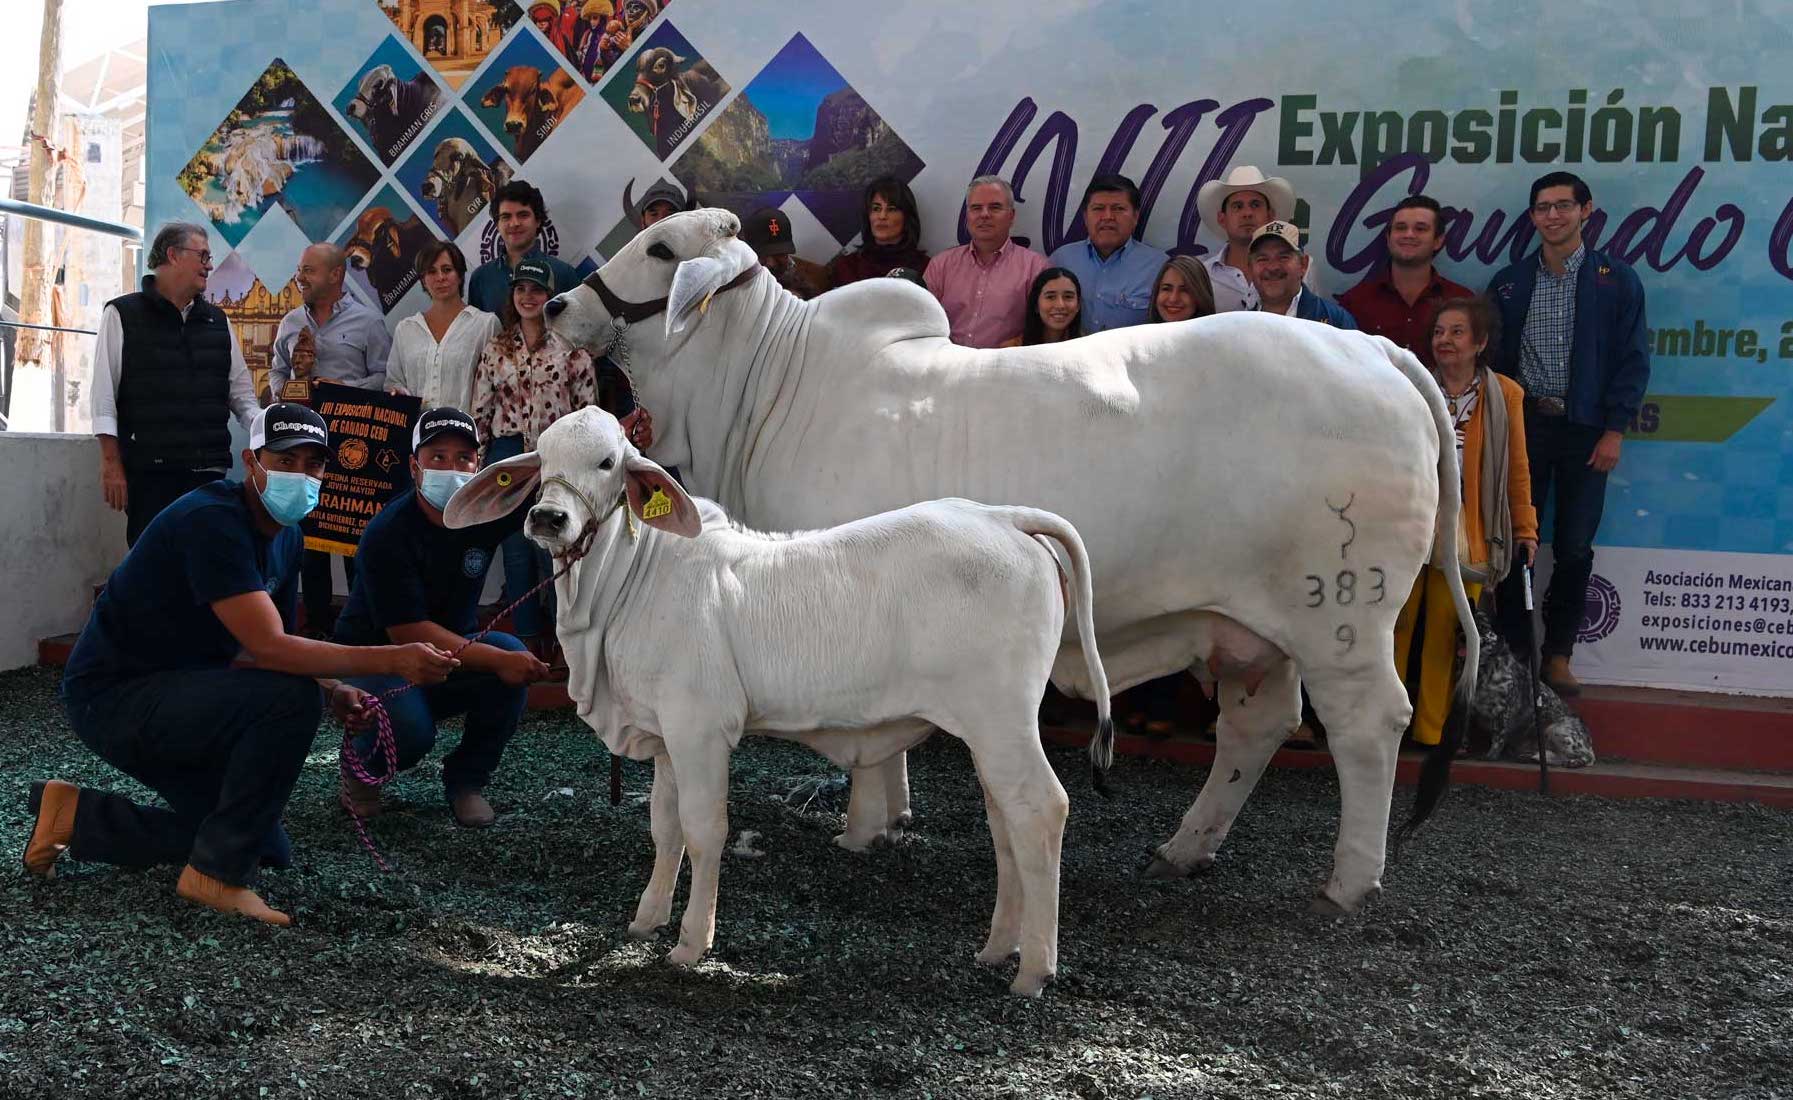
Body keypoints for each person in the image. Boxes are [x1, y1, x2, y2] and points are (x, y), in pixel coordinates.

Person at [26, 403, 457, 925]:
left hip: (183, 693)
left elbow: (259, 643)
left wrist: (332, 689)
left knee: (264, 846)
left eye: (314, 464)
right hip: (115, 699)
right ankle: (215, 876)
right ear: (251, 461)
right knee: (286, 702)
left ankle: (73, 815)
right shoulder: (211, 520)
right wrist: (393, 659)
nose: (301, 475)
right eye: (286, 460)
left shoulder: (287, 534)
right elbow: (272, 648)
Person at [334, 407, 550, 826]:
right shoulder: (387, 533)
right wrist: (500, 661)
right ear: (414, 467)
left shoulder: (486, 513)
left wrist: (621, 438)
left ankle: (466, 781)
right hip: (378, 658)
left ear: (479, 464)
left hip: (448, 654)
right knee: (415, 732)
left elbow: (551, 482)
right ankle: (361, 766)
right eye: (437, 458)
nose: (451, 468)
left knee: (508, 655)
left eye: (464, 458)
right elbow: (407, 631)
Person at [1487, 171, 1649, 696]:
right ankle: (1516, 653)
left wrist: (1615, 430)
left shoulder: (1616, 280)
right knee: (1516, 545)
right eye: (1542, 208)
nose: (1552, 216)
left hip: (1586, 433)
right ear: (1532, 216)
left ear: (1586, 210)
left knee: (1576, 547)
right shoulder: (1509, 283)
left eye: (1563, 206)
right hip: (1525, 429)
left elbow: (1632, 361)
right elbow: (1493, 362)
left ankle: (1558, 655)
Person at [1393, 296, 1538, 745]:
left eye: (1457, 331)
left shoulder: (1506, 395)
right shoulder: (1411, 386)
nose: (1445, 340)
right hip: (1410, 524)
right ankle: (1381, 726)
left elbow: (1516, 467)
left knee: (1445, 634)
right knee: (1394, 628)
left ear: (1481, 342)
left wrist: (1525, 528)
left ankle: (1432, 734)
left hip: (1469, 533)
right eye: (1438, 332)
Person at [89, 222, 262, 546]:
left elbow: (241, 397)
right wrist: (111, 464)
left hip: (209, 474)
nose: (210, 264)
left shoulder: (218, 321)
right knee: (153, 571)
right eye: (203, 255)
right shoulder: (122, 314)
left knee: (205, 572)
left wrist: (270, 429)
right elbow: (103, 399)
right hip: (150, 475)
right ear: (173, 255)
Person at [471, 258, 599, 658]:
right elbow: (481, 411)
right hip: (508, 454)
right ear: (512, 295)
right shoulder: (496, 348)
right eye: (521, 289)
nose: (529, 296)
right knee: (515, 549)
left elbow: (588, 414)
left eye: (537, 290)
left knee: (558, 546)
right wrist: (478, 463)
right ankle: (524, 640)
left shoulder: (572, 349)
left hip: (557, 457)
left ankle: (565, 639)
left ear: (551, 296)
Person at [270, 243, 393, 637]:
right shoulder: (290, 322)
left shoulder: (369, 322)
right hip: (301, 452)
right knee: (309, 542)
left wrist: (346, 389)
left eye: (308, 270)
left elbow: (385, 379)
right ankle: (317, 628)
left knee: (356, 541)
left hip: (354, 450)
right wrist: (289, 389)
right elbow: (275, 374)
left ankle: (360, 629)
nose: (299, 277)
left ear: (336, 275)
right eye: (300, 269)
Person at [1338, 195, 1474, 366]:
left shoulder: (1463, 302)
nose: (1409, 234)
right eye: (1400, 228)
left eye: (1421, 228)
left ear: (1438, 241)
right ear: (1388, 238)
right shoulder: (1355, 302)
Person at [924, 176, 1047, 348]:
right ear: (967, 216)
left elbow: (1046, 329)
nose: (984, 214)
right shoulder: (941, 265)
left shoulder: (1035, 268)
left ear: (1011, 216)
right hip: (947, 366)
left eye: (995, 207)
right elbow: (920, 322)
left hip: (1006, 369)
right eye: (976, 208)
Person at [387, 240, 502, 411]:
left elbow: (498, 386)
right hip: (418, 434)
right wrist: (397, 393)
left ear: (460, 275)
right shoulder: (405, 329)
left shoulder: (485, 324)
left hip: (467, 433)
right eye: (431, 271)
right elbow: (393, 382)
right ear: (423, 281)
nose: (440, 277)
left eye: (447, 270)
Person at [1046, 173, 1166, 332]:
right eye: (1098, 209)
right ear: (1085, 217)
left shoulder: (1159, 267)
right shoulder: (1061, 260)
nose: (1108, 217)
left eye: (1118, 209)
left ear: (1135, 217)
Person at [467, 180, 582, 316]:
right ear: (497, 225)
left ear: (538, 220)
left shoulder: (564, 274)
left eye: (523, 215)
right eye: (506, 217)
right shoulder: (480, 279)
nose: (514, 223)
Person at [1194, 166, 1295, 313]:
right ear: (1222, 219)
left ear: (1270, 216)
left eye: (1255, 205)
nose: (1247, 213)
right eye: (1237, 206)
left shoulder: (1299, 270)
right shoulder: (1202, 276)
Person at [1246, 221, 1357, 328]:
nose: (1273, 267)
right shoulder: (1240, 324)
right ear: (1250, 268)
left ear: (1303, 264)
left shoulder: (1336, 321)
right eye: (1262, 259)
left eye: (1283, 257)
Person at [827, 177, 929, 287]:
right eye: (876, 209)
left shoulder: (927, 268)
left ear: (907, 217)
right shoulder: (847, 266)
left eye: (891, 209)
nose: (882, 216)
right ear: (868, 216)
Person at [742, 205, 829, 300]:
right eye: (763, 255)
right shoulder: (733, 284)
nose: (771, 263)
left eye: (779, 255)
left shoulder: (804, 289)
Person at [1003, 267, 1084, 347]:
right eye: (1050, 297)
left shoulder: (1088, 349)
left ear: (1078, 305)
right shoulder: (1011, 350)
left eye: (1068, 297)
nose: (1060, 305)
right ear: (1036, 304)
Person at [1147, 255, 1217, 323]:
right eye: (1166, 289)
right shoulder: (1141, 333)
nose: (1173, 299)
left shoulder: (1221, 334)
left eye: (1185, 290)